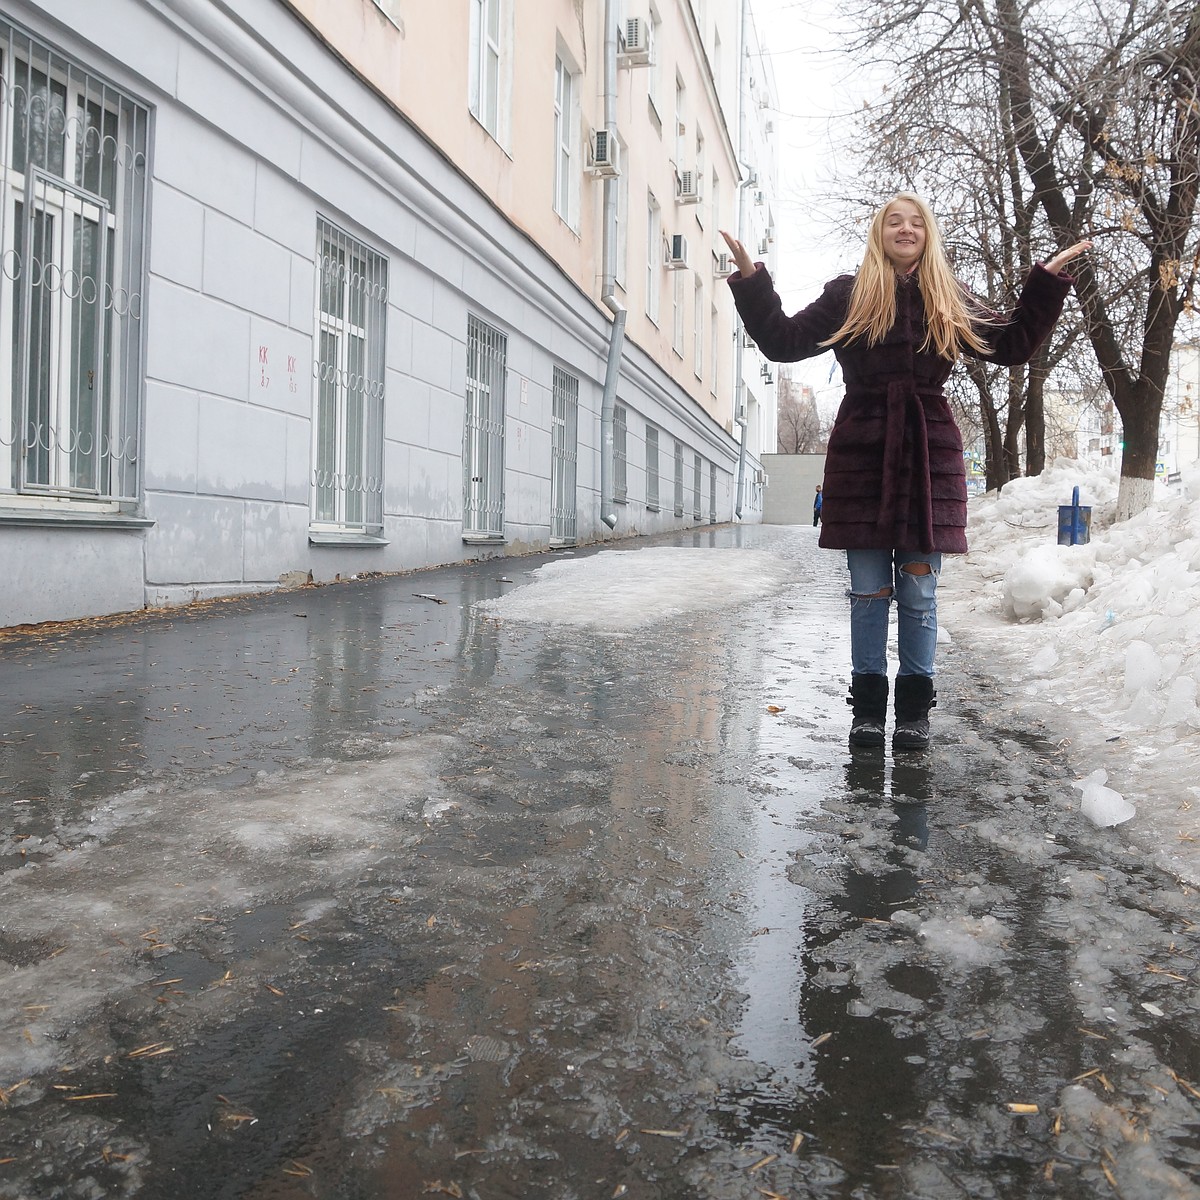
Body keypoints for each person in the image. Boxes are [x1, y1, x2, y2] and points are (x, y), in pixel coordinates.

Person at [721, 195, 1089, 751]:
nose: (906, 229)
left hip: (928, 454)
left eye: (917, 222)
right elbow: (783, 341)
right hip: (863, 452)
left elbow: (1011, 344)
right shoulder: (849, 292)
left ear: (928, 234)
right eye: (895, 220)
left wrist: (1046, 283)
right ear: (879, 232)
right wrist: (751, 280)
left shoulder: (948, 293)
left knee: (918, 593)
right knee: (869, 593)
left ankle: (914, 712)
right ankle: (867, 710)